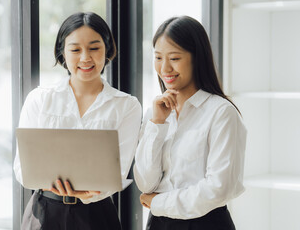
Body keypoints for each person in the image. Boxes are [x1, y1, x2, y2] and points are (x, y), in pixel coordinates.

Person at [13, 12, 142, 230]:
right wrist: (52, 184)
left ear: (107, 49)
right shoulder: (40, 99)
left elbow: (119, 172)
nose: (85, 58)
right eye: (75, 50)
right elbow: (21, 169)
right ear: (62, 53)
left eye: (94, 48)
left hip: (97, 214)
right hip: (44, 213)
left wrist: (89, 193)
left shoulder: (127, 106)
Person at [133, 15, 247, 230]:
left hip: (206, 224)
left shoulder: (221, 112)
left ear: (197, 58)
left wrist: (159, 202)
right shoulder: (155, 111)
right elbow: (146, 183)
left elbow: (218, 188)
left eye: (174, 58)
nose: (165, 68)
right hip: (158, 223)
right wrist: (157, 124)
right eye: (158, 58)